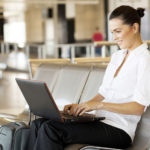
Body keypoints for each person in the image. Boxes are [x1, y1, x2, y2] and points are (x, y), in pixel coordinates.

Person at [29, 5, 150, 150]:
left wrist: (100, 105)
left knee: (51, 129)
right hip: (100, 121)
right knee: (39, 123)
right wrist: (81, 107)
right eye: (112, 32)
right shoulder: (117, 57)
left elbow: (138, 108)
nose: (114, 38)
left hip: (119, 129)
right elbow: (103, 93)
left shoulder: (145, 60)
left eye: (118, 31)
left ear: (134, 28)